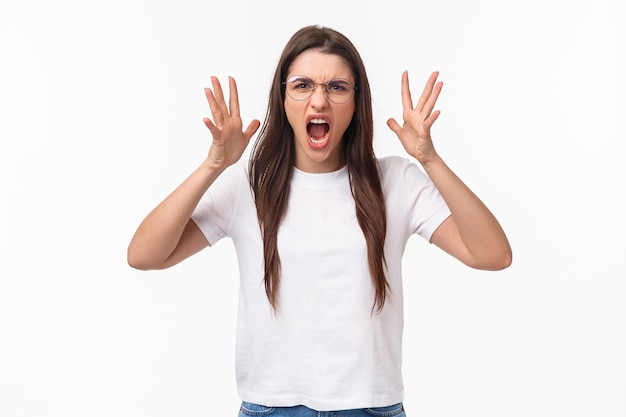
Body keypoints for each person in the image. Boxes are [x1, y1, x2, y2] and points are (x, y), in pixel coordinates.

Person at [127, 25, 512, 417]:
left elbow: (493, 254)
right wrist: (213, 166)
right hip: (270, 407)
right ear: (283, 98)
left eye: (337, 87)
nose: (319, 101)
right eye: (303, 85)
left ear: (356, 102)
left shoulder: (396, 182)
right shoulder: (250, 185)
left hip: (370, 408)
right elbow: (144, 255)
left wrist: (429, 159)